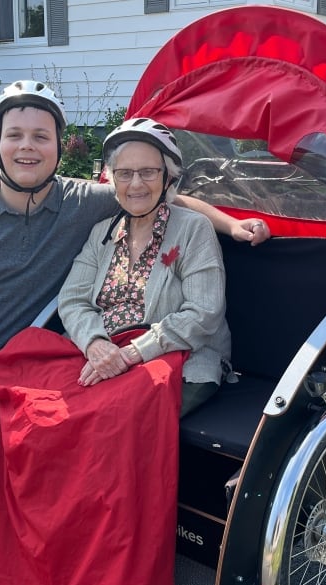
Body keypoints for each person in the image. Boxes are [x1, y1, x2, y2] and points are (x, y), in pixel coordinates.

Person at [0, 80, 270, 585]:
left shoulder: (90, 202)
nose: (27, 146)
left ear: (61, 148)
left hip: (37, 354)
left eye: (41, 135)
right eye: (15, 135)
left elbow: (169, 197)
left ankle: (56, 549)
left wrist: (233, 227)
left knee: (40, 434)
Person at [58, 117, 235, 414]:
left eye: (149, 172)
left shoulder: (193, 229)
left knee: (102, 420)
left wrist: (131, 353)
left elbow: (204, 313)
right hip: (101, 354)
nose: (136, 184)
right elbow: (72, 299)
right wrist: (95, 345)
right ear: (113, 179)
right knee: (32, 405)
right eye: (124, 173)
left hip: (175, 358)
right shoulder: (102, 232)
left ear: (168, 177)